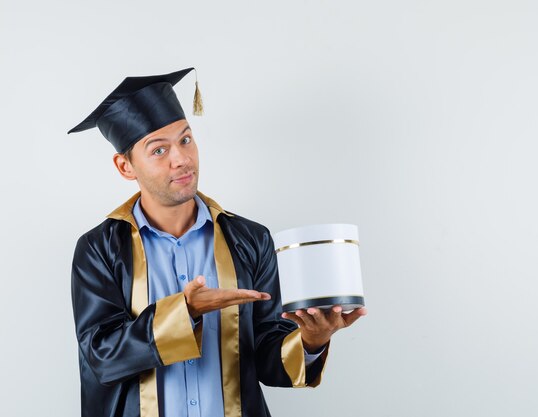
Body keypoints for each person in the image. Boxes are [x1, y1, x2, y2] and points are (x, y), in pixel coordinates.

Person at [68, 67, 367, 417]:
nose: (181, 159)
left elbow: (269, 358)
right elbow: (101, 357)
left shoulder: (250, 240)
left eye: (185, 139)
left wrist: (312, 340)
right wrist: (186, 311)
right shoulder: (100, 249)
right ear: (125, 167)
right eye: (158, 150)